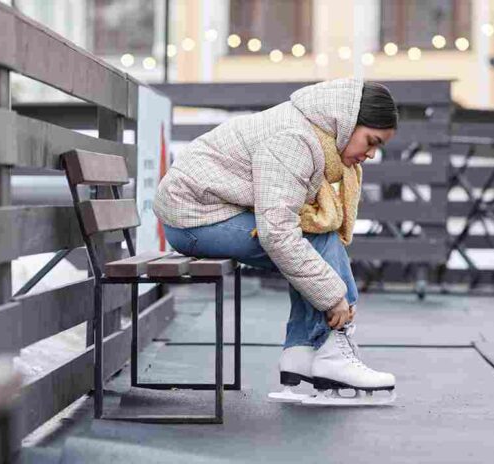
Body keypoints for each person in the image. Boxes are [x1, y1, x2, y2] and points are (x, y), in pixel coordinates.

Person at [153, 78, 398, 405]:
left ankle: (305, 351)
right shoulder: (294, 140)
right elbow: (277, 233)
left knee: (315, 240)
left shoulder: (313, 135)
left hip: (210, 211)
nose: (370, 154)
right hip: (194, 219)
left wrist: (329, 291)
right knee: (312, 244)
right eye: (371, 141)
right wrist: (333, 296)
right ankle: (330, 349)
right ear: (346, 121)